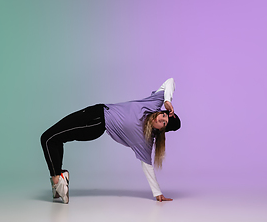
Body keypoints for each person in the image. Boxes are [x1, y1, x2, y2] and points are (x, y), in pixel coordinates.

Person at [40, 78, 181, 203]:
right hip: (96, 111)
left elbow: (147, 167)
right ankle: (59, 179)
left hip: (96, 122)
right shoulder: (152, 105)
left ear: (161, 130)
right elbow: (170, 81)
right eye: (164, 114)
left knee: (48, 138)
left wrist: (157, 193)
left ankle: (57, 180)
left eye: (164, 123)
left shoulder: (145, 140)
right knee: (56, 138)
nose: (161, 118)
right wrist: (167, 100)